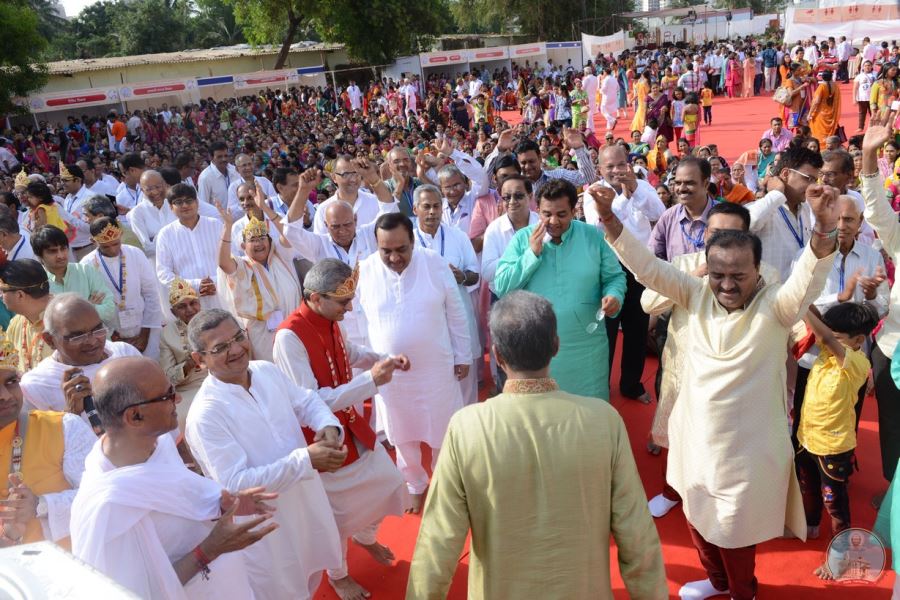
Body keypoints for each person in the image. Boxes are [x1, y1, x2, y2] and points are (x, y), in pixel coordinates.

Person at [591, 176, 841, 600]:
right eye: (719, 274)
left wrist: (824, 228)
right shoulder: (694, 292)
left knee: (734, 532)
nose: (726, 285)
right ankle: (717, 581)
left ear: (758, 271)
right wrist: (608, 218)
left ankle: (744, 591)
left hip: (746, 453)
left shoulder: (778, 305)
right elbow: (646, 267)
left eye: (738, 275)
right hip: (693, 442)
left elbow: (809, 278)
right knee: (695, 517)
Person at [406, 290, 667, 600]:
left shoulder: (467, 427)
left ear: (498, 356)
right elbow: (637, 535)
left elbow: (437, 545)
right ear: (555, 346)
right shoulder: (603, 420)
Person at [72, 356, 277, 599]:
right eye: (167, 395)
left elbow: (177, 499)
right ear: (135, 416)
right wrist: (210, 549)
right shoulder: (108, 508)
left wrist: (218, 507)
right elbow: (136, 594)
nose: (178, 399)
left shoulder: (161, 445)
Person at [185, 308, 347, 600]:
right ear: (199, 360)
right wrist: (306, 459)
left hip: (305, 498)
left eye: (238, 337)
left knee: (312, 570)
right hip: (265, 524)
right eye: (220, 348)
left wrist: (327, 426)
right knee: (282, 588)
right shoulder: (205, 414)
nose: (236, 349)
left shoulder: (265, 371)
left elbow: (306, 402)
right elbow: (236, 484)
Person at [273, 259, 409, 600]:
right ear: (316, 298)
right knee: (335, 519)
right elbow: (310, 403)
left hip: (352, 426)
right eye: (343, 302)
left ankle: (365, 537)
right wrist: (370, 381)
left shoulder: (330, 319)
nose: (350, 309)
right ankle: (339, 576)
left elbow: (349, 353)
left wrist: (382, 358)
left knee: (391, 484)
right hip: (321, 440)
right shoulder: (289, 337)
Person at [643, 202, 781, 519]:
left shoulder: (765, 273)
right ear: (705, 233)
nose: (722, 240)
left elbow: (781, 314)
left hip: (736, 379)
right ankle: (671, 491)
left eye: (732, 234)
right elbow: (648, 303)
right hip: (684, 370)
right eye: (716, 232)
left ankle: (721, 500)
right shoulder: (684, 263)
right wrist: (693, 278)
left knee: (727, 445)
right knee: (676, 435)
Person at [356, 213, 471, 513]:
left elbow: (456, 312)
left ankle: (445, 484)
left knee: (443, 429)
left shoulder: (434, 263)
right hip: (391, 375)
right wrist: (366, 365)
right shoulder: (365, 270)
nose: (394, 258)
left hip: (436, 369)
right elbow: (356, 323)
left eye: (401, 249)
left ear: (413, 242)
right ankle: (414, 485)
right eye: (386, 251)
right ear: (376, 246)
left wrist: (462, 354)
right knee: (401, 432)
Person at [494, 179, 626, 400]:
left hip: (587, 346)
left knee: (588, 410)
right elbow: (502, 287)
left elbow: (615, 277)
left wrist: (614, 295)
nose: (553, 221)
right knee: (542, 413)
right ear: (538, 210)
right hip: (537, 348)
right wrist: (531, 254)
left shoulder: (594, 236)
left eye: (562, 214)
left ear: (574, 210)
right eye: (547, 214)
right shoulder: (523, 239)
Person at [795, 303, 877, 579]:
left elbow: (826, 336)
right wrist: (804, 298)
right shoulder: (828, 350)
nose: (828, 340)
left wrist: (803, 309)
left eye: (837, 337)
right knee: (808, 488)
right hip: (807, 438)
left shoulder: (856, 363)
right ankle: (810, 526)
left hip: (833, 448)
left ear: (858, 340)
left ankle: (840, 557)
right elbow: (824, 331)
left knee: (835, 504)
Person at [0, 329, 94, 549]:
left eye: (11, 382)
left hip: (70, 563)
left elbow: (102, 496)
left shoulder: (64, 428)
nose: (5, 395)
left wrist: (41, 505)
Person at [586, 146, 666, 402]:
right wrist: (622, 198)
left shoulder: (642, 187)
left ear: (628, 165)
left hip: (639, 269)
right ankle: (600, 386)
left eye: (621, 164)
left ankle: (631, 385)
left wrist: (634, 190)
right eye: (609, 166)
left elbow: (659, 214)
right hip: (608, 271)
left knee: (637, 330)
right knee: (606, 332)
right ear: (600, 169)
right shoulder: (593, 193)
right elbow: (599, 226)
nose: (616, 170)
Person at [859, 110, 900, 496]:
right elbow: (875, 211)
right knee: (891, 424)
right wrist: (869, 155)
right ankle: (893, 494)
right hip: (891, 348)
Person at [410, 185, 481, 405]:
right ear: (415, 209)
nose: (432, 212)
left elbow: (475, 275)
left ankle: (468, 423)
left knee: (466, 382)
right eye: (426, 207)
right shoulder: (408, 241)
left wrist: (460, 276)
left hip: (458, 315)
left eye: (436, 206)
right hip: (424, 321)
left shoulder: (458, 236)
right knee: (432, 383)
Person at [21, 293, 140, 421]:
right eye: (77, 337)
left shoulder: (126, 354)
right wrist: (70, 414)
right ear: (50, 340)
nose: (92, 342)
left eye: (98, 330)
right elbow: (33, 433)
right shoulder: (35, 386)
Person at [215, 199, 301, 362]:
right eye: (253, 240)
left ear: (269, 240)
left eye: (262, 238)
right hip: (263, 335)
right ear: (243, 246)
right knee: (271, 372)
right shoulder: (242, 266)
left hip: (293, 328)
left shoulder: (281, 257)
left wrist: (266, 209)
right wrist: (227, 227)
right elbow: (223, 263)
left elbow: (289, 234)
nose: (259, 243)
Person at [81, 218, 163, 359]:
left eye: (116, 244)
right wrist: (112, 336)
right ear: (93, 241)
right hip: (111, 337)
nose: (113, 250)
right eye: (106, 247)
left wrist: (145, 334)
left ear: (121, 235)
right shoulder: (86, 265)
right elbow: (90, 308)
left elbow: (151, 293)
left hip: (145, 327)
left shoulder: (135, 254)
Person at [747, 143, 824, 281]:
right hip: (771, 293)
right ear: (785, 174)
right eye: (808, 179)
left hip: (801, 290)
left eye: (815, 180)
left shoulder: (807, 209)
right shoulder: (765, 208)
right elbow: (748, 223)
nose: (813, 186)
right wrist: (776, 193)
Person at [31, 225, 118, 330]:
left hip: (96, 337)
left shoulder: (86, 271)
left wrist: (61, 314)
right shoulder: (35, 284)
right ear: (39, 255)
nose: (61, 255)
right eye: (53, 251)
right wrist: (87, 307)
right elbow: (39, 322)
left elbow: (110, 311)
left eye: (63, 249)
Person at [156, 183, 223, 310]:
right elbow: (163, 273)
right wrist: (195, 285)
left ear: (197, 202)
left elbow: (232, 258)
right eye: (178, 202)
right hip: (189, 301)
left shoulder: (216, 225)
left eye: (189, 201)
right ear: (171, 207)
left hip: (222, 293)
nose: (185, 205)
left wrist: (215, 282)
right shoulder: (166, 234)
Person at [313, 156, 397, 234]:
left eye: (356, 173)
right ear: (334, 177)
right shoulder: (324, 209)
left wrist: (373, 176)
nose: (353, 179)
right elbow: (320, 242)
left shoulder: (374, 202)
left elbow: (391, 213)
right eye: (346, 175)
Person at [2, 259, 54, 373]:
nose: (1, 296)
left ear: (20, 295)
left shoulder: (65, 320)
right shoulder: (16, 323)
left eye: (3, 291)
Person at [58, 163, 94, 260]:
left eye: (66, 180)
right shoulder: (68, 198)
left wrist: (67, 216)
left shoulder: (90, 197)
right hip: (70, 249)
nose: (62, 183)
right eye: (61, 180)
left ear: (78, 180)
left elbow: (91, 228)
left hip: (87, 247)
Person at [226, 153, 276, 219]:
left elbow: (275, 201)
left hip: (267, 219)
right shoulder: (233, 187)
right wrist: (250, 204)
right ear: (237, 169)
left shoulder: (265, 181)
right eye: (244, 165)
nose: (248, 167)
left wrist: (265, 198)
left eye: (250, 164)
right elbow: (232, 211)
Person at [196, 140, 239, 207]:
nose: (224, 159)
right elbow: (203, 204)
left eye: (226, 156)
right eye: (219, 157)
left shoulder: (235, 170)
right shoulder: (205, 178)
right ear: (211, 157)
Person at [809, 71, 842, 145]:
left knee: (819, 131)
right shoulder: (835, 86)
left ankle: (821, 145)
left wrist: (810, 113)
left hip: (820, 112)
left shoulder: (822, 87)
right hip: (831, 112)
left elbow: (816, 101)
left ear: (822, 77)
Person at [853, 61, 875, 132]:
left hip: (873, 98)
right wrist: (854, 98)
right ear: (863, 67)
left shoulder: (875, 75)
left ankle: (874, 127)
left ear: (871, 66)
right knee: (862, 113)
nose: (867, 67)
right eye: (865, 66)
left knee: (873, 113)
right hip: (862, 97)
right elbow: (855, 88)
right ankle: (860, 127)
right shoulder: (859, 76)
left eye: (869, 65)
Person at [581, 66, 599, 132]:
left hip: (587, 97)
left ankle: (589, 129)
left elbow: (582, 88)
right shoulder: (595, 78)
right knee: (590, 114)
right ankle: (591, 129)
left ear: (586, 72)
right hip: (593, 96)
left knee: (588, 114)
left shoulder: (586, 79)